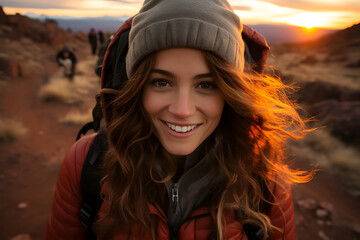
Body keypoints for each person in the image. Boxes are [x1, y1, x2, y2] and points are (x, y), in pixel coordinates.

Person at [46, 0, 314, 239]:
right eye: (161, 82)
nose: (183, 110)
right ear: (136, 88)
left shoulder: (266, 181)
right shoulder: (87, 163)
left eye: (206, 85)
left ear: (231, 94)